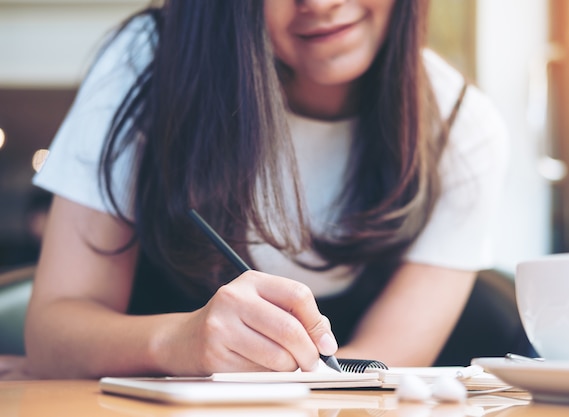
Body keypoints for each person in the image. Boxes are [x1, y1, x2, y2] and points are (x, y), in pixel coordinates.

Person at [24, 0, 508, 379]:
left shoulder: (460, 127)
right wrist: (178, 340)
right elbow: (52, 332)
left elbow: (375, 368)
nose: (320, 3)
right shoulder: (149, 62)